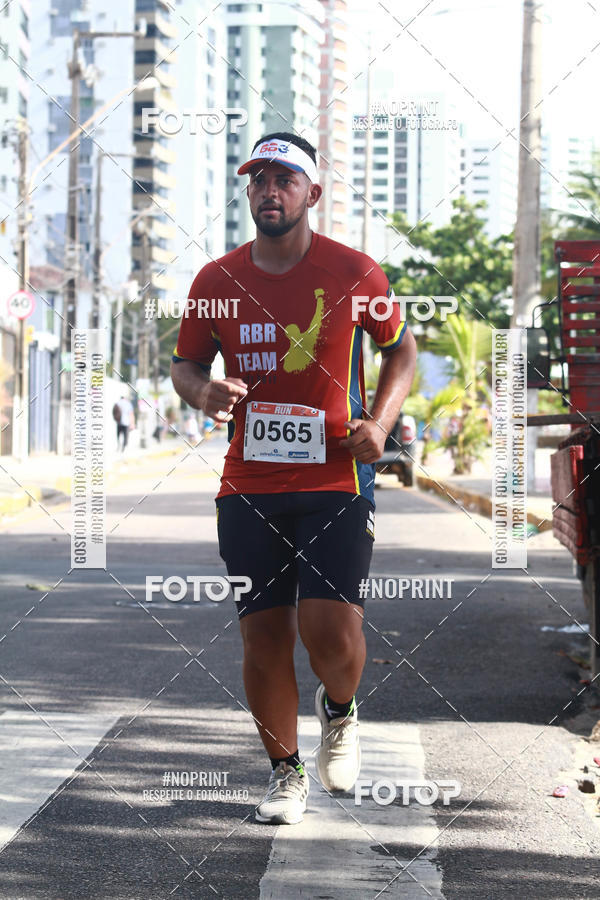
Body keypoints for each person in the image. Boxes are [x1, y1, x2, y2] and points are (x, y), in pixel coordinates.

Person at [171, 132, 416, 825]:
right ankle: (286, 773)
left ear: (312, 192)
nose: (269, 192)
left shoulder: (355, 273)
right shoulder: (216, 282)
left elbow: (401, 350)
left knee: (332, 634)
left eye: (284, 180)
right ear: (248, 193)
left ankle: (340, 712)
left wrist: (384, 423)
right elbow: (185, 364)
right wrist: (202, 393)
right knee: (264, 636)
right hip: (248, 484)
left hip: (337, 478)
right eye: (259, 181)